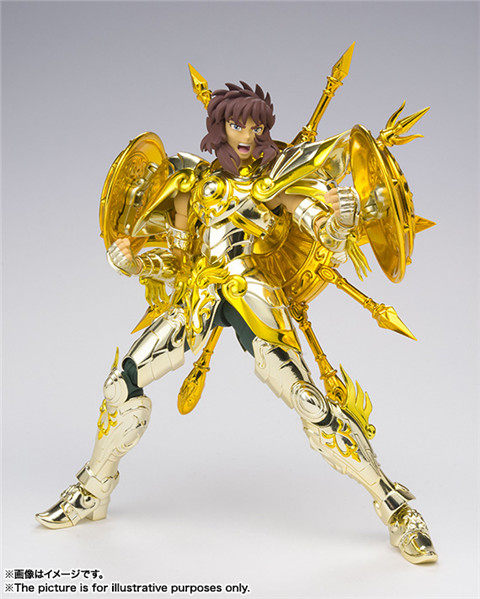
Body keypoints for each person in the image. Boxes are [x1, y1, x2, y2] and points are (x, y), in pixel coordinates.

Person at [36, 80, 437, 565]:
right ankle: (93, 489)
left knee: (311, 402)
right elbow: (174, 257)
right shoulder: (192, 184)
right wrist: (134, 262)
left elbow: (321, 228)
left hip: (255, 296)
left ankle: (396, 509)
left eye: (256, 126)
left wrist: (344, 218)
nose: (247, 135)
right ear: (219, 127)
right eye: (236, 124)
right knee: (121, 384)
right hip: (198, 298)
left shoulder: (278, 181)